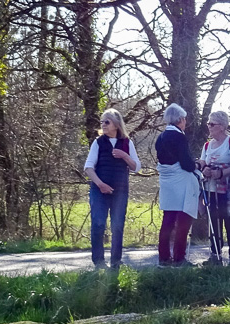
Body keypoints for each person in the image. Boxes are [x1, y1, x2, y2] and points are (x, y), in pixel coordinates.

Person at [84, 108, 141, 269]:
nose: (103, 125)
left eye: (107, 122)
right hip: (99, 191)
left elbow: (136, 167)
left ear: (116, 124)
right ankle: (99, 262)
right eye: (102, 122)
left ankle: (116, 262)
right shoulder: (98, 142)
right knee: (98, 224)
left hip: (120, 192)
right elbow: (88, 167)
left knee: (117, 226)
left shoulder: (127, 143)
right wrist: (100, 184)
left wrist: (124, 156)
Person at [154, 103, 200, 266]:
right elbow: (186, 164)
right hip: (181, 183)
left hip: (167, 183)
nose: (186, 122)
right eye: (185, 119)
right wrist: (197, 164)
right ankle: (179, 257)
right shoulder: (179, 137)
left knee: (168, 220)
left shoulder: (160, 137)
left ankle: (164, 257)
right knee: (183, 220)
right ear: (180, 119)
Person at [198, 110, 230, 264]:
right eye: (208, 123)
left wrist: (221, 173)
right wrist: (205, 170)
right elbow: (203, 163)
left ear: (222, 126)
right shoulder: (207, 145)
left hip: (228, 189)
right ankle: (215, 253)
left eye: (212, 124)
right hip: (211, 188)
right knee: (214, 221)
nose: (208, 126)